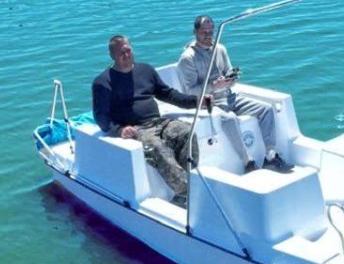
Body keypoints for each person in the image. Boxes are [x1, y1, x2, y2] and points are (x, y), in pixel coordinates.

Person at [92, 34, 202, 206]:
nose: (126, 55)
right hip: (137, 129)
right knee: (156, 147)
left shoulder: (146, 70)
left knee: (187, 132)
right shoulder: (103, 82)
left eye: (128, 50)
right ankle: (186, 193)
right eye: (121, 53)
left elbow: (167, 94)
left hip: (158, 122)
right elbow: (100, 116)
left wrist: (196, 101)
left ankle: (190, 182)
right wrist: (119, 130)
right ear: (112, 55)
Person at [176, 15, 291, 173]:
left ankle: (270, 156)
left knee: (266, 109)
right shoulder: (187, 58)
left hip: (228, 97)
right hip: (208, 102)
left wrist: (231, 79)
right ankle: (247, 162)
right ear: (195, 32)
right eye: (204, 32)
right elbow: (189, 90)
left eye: (211, 32)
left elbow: (228, 71)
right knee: (229, 119)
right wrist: (213, 86)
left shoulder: (220, 49)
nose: (208, 35)